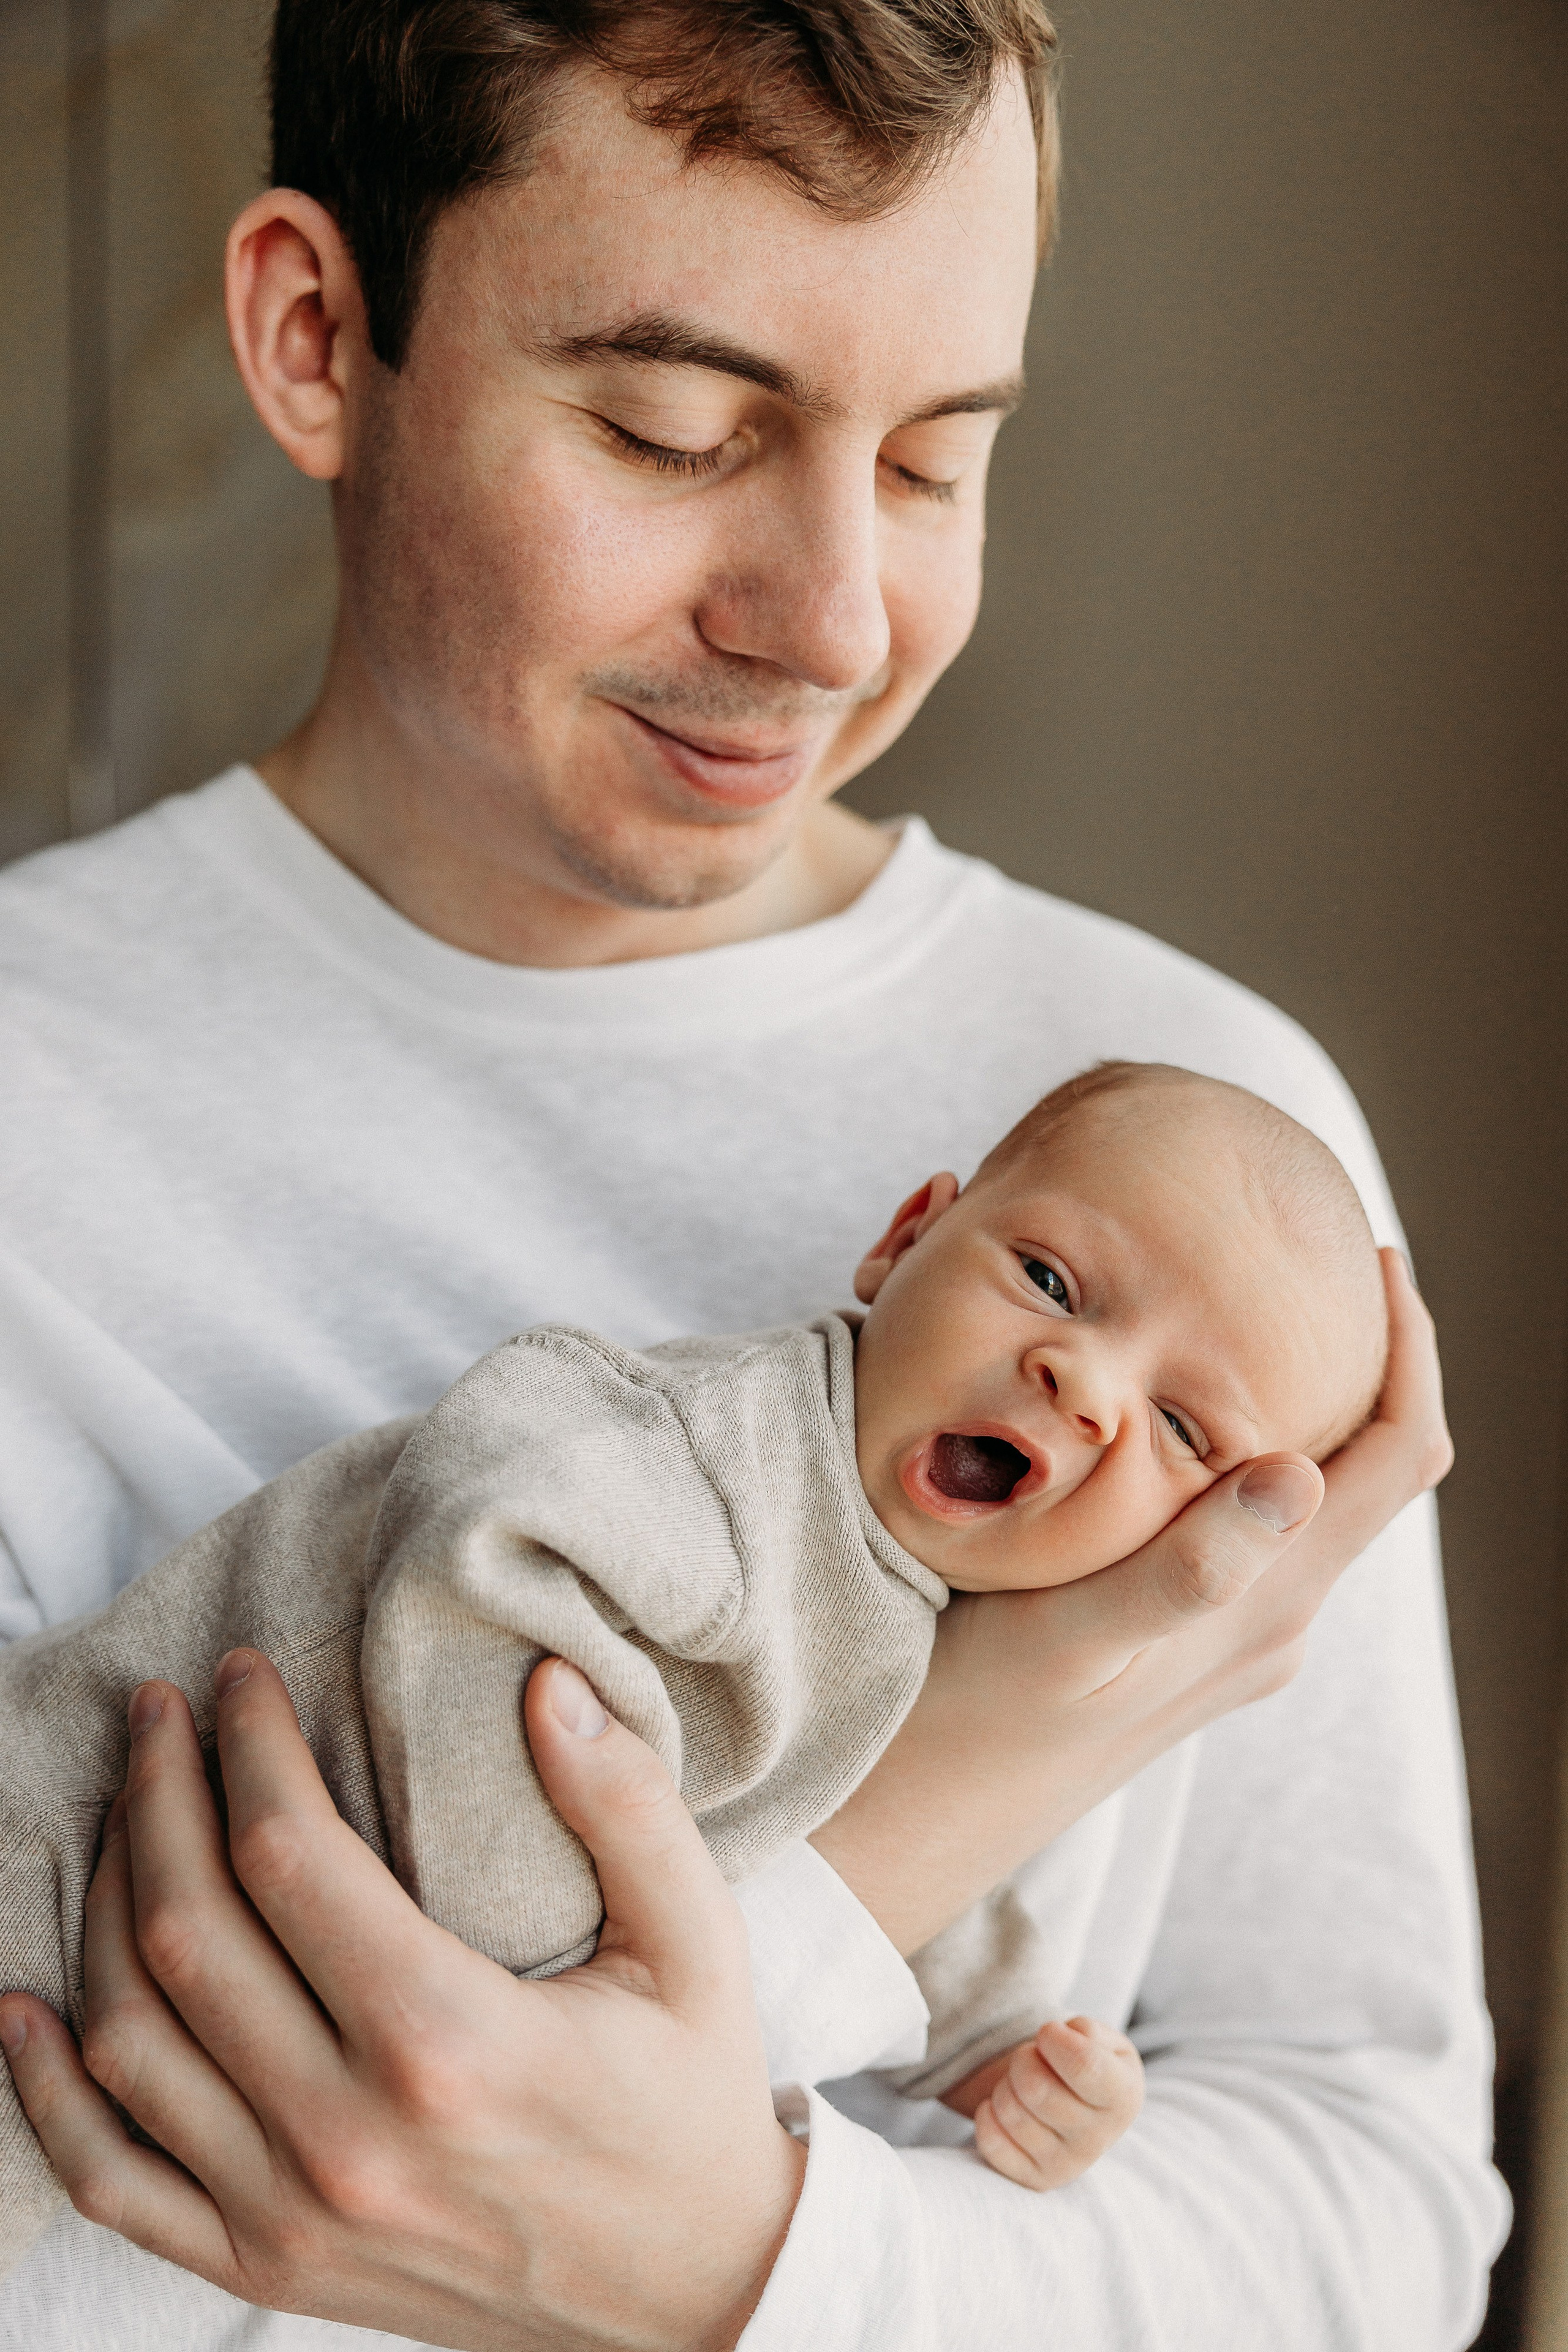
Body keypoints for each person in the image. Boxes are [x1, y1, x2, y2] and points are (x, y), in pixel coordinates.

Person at [0, 1, 1505, 2345]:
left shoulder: (1215, 1150)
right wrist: (957, 1794)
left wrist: (747, 2265)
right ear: (316, 336)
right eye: (673, 430)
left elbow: (1377, 2224)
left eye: (934, 464)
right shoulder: (30, 1108)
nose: (827, 622)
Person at [0, 1059, 1389, 2262]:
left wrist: (991, 2050)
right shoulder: (727, 1451)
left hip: (189, 2034)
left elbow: (851, 1820)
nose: (1080, 1385)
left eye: (1184, 1432)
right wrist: (529, 1982)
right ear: (904, 1238)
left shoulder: (928, 1632)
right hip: (60, 1845)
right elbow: (482, 1555)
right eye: (1046, 1282)